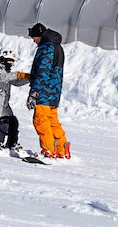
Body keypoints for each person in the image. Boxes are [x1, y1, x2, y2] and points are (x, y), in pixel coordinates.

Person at [24, 22, 71, 159]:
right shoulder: (57, 47)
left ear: (39, 35)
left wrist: (34, 92)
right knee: (52, 121)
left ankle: (49, 150)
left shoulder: (46, 48)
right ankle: (62, 150)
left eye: (34, 37)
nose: (33, 40)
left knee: (40, 120)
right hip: (54, 91)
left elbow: (42, 72)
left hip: (44, 91)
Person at [0, 48, 29, 152]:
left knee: (13, 122)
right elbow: (5, 77)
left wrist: (28, 79)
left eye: (12, 62)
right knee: (3, 124)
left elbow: (15, 82)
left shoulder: (5, 71)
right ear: (1, 60)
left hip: (4, 104)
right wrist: (19, 74)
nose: (10, 64)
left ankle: (12, 143)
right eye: (8, 61)